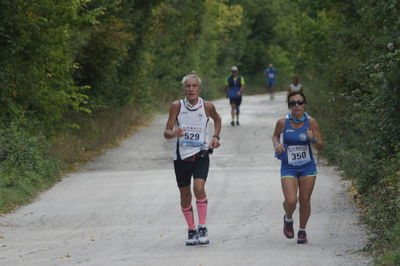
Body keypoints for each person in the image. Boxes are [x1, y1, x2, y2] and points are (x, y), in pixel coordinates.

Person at [164, 74, 221, 246]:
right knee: (185, 194)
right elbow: (166, 131)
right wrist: (174, 133)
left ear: (199, 89)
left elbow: (217, 119)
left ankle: (202, 227)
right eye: (188, 86)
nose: (191, 89)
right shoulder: (176, 106)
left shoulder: (207, 106)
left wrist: (216, 136)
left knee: (199, 187)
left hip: (201, 154)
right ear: (184, 89)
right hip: (181, 157)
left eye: (194, 86)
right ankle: (191, 229)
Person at [272, 91, 324, 244]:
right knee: (291, 200)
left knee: (305, 200)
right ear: (289, 106)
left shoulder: (311, 122)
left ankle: (302, 231)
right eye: (293, 103)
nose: (296, 106)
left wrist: (312, 138)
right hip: (288, 167)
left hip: (307, 167)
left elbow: (321, 146)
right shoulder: (283, 122)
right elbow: (275, 136)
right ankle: (288, 219)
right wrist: (277, 144)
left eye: (299, 102)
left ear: (304, 104)